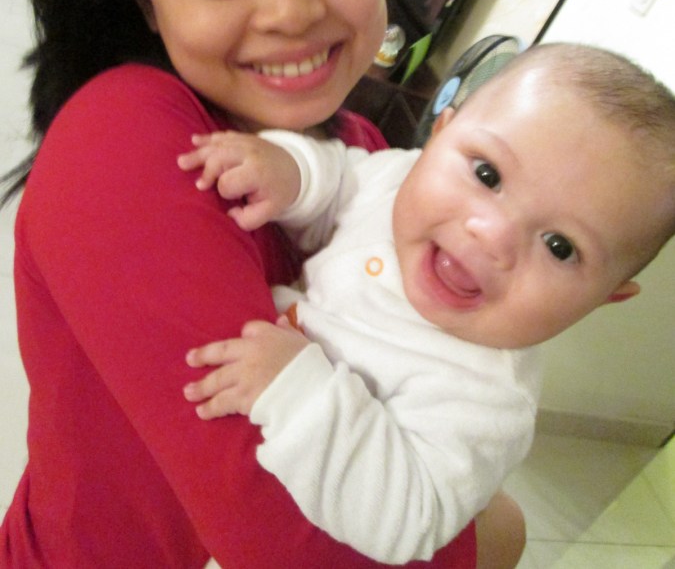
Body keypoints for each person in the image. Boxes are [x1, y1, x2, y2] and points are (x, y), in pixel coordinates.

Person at [0, 0, 523, 568]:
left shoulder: (357, 153)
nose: (290, 10)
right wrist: (488, 534)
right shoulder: (121, 137)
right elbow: (293, 542)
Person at [177, 42, 675, 563]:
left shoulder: (486, 398)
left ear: (604, 298)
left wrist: (294, 391)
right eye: (488, 175)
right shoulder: (398, 181)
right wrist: (292, 172)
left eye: (560, 246)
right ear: (440, 134)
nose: (491, 235)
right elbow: (341, 178)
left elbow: (408, 518)